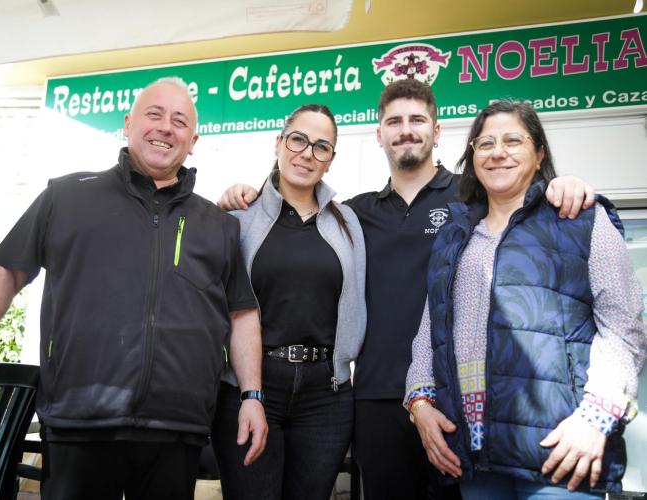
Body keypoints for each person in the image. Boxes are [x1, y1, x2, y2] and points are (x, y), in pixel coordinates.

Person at [217, 79, 597, 499]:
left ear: (437, 130)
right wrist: (242, 196)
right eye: (394, 122)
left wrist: (563, 183)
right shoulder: (353, 216)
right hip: (375, 398)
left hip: (457, 397)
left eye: (417, 120)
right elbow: (295, 226)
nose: (406, 130)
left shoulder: (473, 198)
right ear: (379, 134)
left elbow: (523, 199)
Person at [0, 77, 268, 500]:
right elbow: (8, 269)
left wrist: (252, 395)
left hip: (178, 430)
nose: (165, 127)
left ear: (193, 142)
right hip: (77, 422)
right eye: (154, 114)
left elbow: (240, 313)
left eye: (179, 122)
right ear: (128, 124)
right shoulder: (66, 197)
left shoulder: (219, 225)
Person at [405, 99, 646, 499]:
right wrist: (421, 405)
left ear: (539, 154)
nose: (498, 152)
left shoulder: (582, 220)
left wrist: (596, 418)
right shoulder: (455, 236)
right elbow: (430, 330)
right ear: (472, 157)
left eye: (513, 141)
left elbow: (624, 327)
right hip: (473, 453)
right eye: (485, 144)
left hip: (562, 450)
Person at [211, 103, 366, 500]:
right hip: (251, 385)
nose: (307, 154)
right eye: (298, 140)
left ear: (330, 160)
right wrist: (222, 201)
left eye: (321, 147)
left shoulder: (348, 223)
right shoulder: (238, 217)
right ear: (278, 142)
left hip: (326, 394)